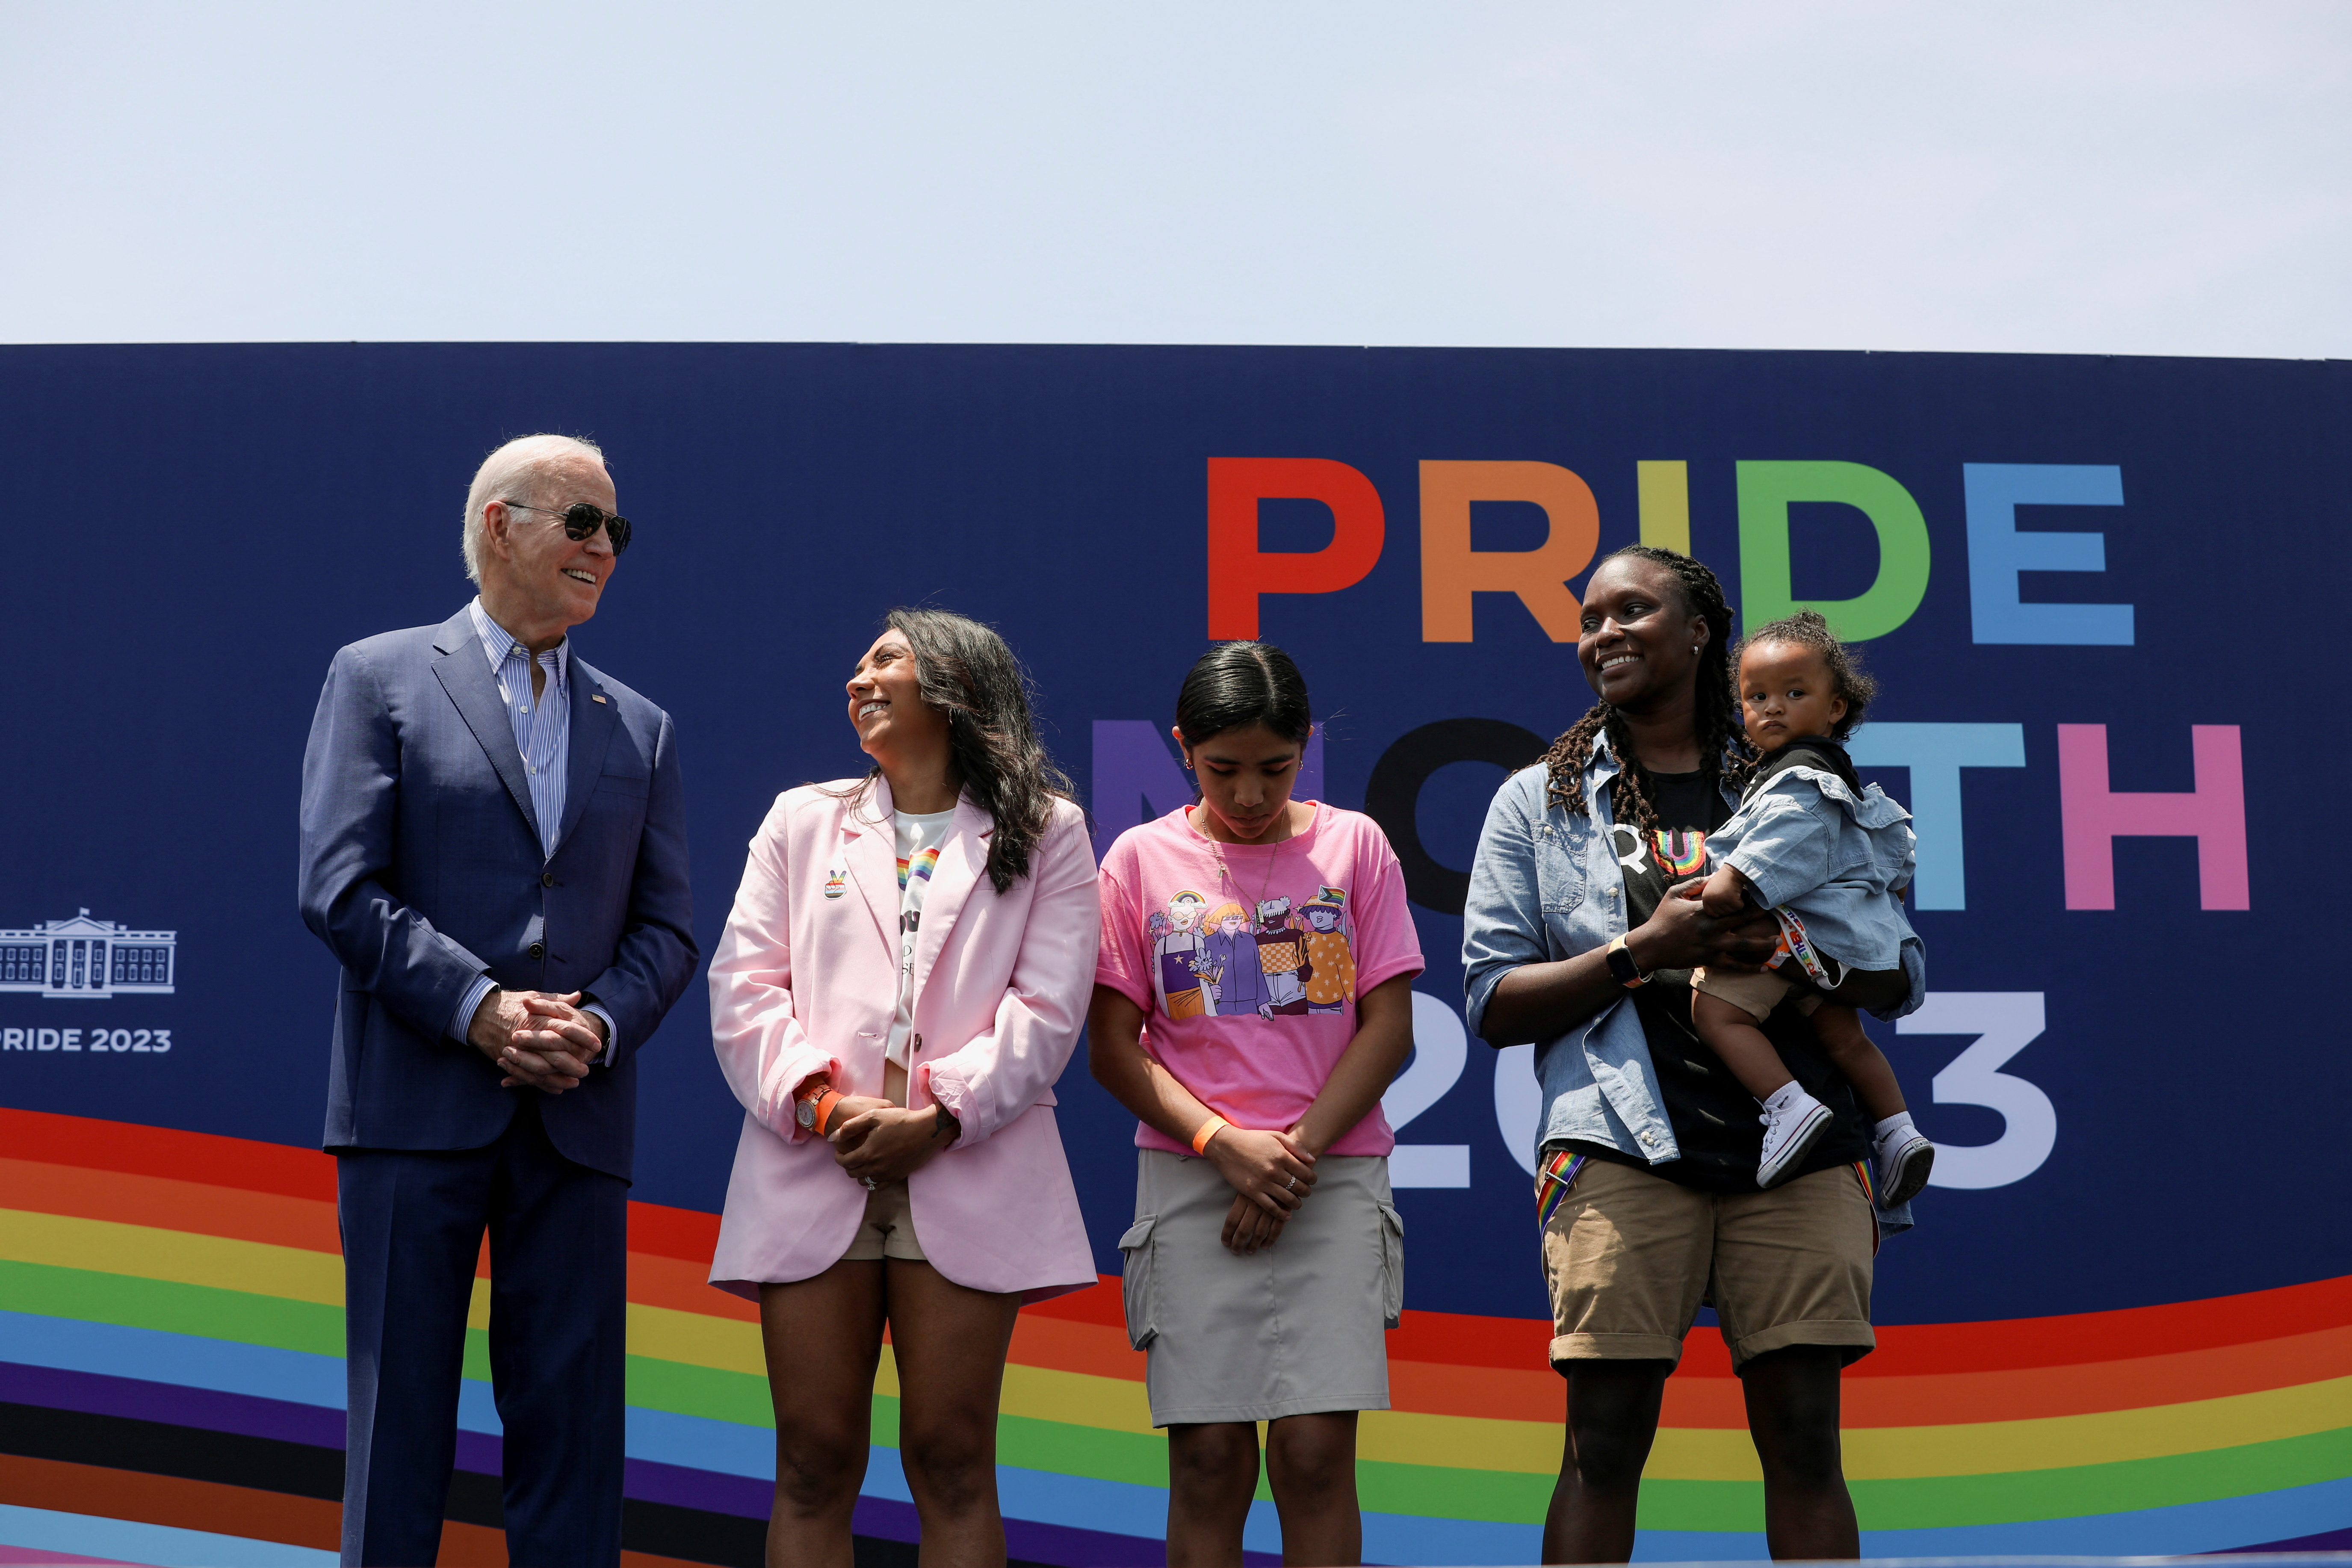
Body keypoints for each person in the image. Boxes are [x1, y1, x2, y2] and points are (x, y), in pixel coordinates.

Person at [1461, 545, 1921, 1565]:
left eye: (1632, 610)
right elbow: (1493, 1002)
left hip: (1800, 1147)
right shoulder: (1539, 800)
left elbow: (1897, 973)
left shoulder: (1802, 781)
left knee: (1805, 1444)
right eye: (1589, 620)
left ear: (1700, 630)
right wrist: (1641, 951)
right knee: (1601, 1445)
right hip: (1622, 1148)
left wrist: (1801, 957)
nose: (1604, 634)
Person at [298, 434, 697, 1568]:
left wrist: (597, 1022)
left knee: (573, 1445)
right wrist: (477, 1005)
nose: (604, 549)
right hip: (412, 1118)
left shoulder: (643, 724)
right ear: (497, 525)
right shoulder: (377, 675)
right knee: (397, 1440)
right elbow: (337, 886)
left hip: (573, 1123)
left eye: (616, 530)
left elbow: (667, 928)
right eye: (582, 522)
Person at [706, 609, 1100, 1568]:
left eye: (886, 660)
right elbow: (743, 986)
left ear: (957, 686)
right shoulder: (801, 819)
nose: (859, 679)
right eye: (857, 664)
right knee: (810, 1459)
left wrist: (940, 1117)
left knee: (953, 1459)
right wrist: (826, 1106)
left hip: (967, 1168)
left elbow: (1047, 1011)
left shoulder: (1048, 828)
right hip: (815, 1164)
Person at [1089, 641, 1422, 1568]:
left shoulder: (1354, 845)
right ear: (1181, 749)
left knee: (1316, 1458)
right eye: (1220, 769)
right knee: (1207, 1459)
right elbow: (1112, 1049)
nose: (1247, 793)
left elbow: (1388, 1030)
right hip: (1191, 1179)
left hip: (1330, 1176)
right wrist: (1221, 1143)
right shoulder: (1136, 859)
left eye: (1274, 768)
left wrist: (1289, 1158)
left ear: (1305, 747)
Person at [1687, 611, 1935, 1201]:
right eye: (1757, 697)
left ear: (1837, 707)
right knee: (1843, 1037)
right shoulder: (1844, 781)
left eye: (1795, 693)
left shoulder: (1798, 779)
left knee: (1715, 1012)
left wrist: (1731, 881)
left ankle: (1787, 1105)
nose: (1773, 708)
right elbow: (1897, 863)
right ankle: (1899, 1130)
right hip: (1831, 947)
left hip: (1790, 939)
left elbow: (1783, 839)